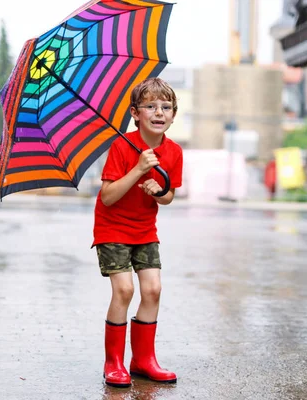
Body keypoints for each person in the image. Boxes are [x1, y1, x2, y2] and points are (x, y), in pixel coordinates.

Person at [93, 77, 182, 387]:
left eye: (166, 107)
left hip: (145, 229)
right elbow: (108, 196)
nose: (159, 112)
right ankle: (113, 362)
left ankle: (143, 359)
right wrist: (139, 169)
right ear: (135, 113)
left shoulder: (173, 152)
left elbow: (169, 196)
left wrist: (159, 191)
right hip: (112, 227)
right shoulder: (122, 145)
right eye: (151, 106)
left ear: (173, 114)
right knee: (124, 290)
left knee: (153, 289)